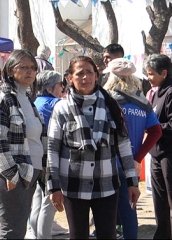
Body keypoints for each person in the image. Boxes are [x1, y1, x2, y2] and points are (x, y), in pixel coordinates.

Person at [47, 56, 139, 240]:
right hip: (74, 185)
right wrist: (53, 186)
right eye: (79, 73)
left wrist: (132, 182)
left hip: (106, 185)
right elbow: (53, 148)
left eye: (89, 72)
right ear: (69, 78)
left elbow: (123, 146)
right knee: (78, 235)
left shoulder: (111, 106)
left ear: (96, 76)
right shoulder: (62, 109)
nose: (85, 77)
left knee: (107, 234)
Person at [0, 50, 46, 239]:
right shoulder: (1, 98)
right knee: (12, 231)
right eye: (24, 67)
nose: (30, 72)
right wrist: (11, 173)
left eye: (33, 68)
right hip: (8, 173)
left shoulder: (26, 99)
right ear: (9, 70)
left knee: (17, 230)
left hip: (29, 172)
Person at [103, 58, 162, 240]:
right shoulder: (142, 102)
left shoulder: (105, 100)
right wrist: (138, 158)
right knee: (129, 212)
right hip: (131, 167)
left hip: (106, 164)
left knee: (105, 213)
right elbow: (156, 131)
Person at [28, 71, 65, 239]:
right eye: (60, 84)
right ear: (50, 88)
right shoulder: (58, 104)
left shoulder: (33, 102)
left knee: (38, 197)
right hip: (52, 157)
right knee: (49, 202)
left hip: (34, 156)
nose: (62, 88)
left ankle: (35, 234)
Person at [146, 54, 172, 240]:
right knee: (159, 200)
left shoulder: (170, 92)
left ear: (164, 73)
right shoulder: (157, 91)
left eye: (151, 74)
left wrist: (154, 129)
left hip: (169, 153)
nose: (148, 77)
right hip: (157, 153)